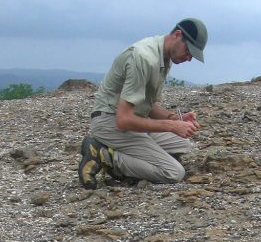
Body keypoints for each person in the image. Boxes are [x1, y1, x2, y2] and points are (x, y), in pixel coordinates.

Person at [78, 18, 208, 189]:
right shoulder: (144, 58)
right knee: (174, 173)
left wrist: (176, 118)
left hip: (130, 123)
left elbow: (149, 104)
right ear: (177, 35)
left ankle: (124, 153)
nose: (189, 58)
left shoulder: (163, 57)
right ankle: (105, 156)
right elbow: (123, 119)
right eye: (189, 50)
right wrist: (170, 125)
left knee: (182, 144)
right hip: (108, 122)